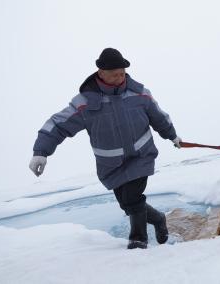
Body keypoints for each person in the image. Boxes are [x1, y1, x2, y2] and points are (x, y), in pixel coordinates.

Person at [29, 48, 182, 249]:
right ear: (101, 73)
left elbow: (159, 117)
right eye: (114, 75)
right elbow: (57, 125)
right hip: (111, 165)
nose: (120, 78)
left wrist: (172, 135)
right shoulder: (85, 103)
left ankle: (138, 242)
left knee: (133, 199)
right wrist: (41, 152)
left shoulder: (140, 94)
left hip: (141, 157)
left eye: (122, 73)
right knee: (128, 204)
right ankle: (159, 219)